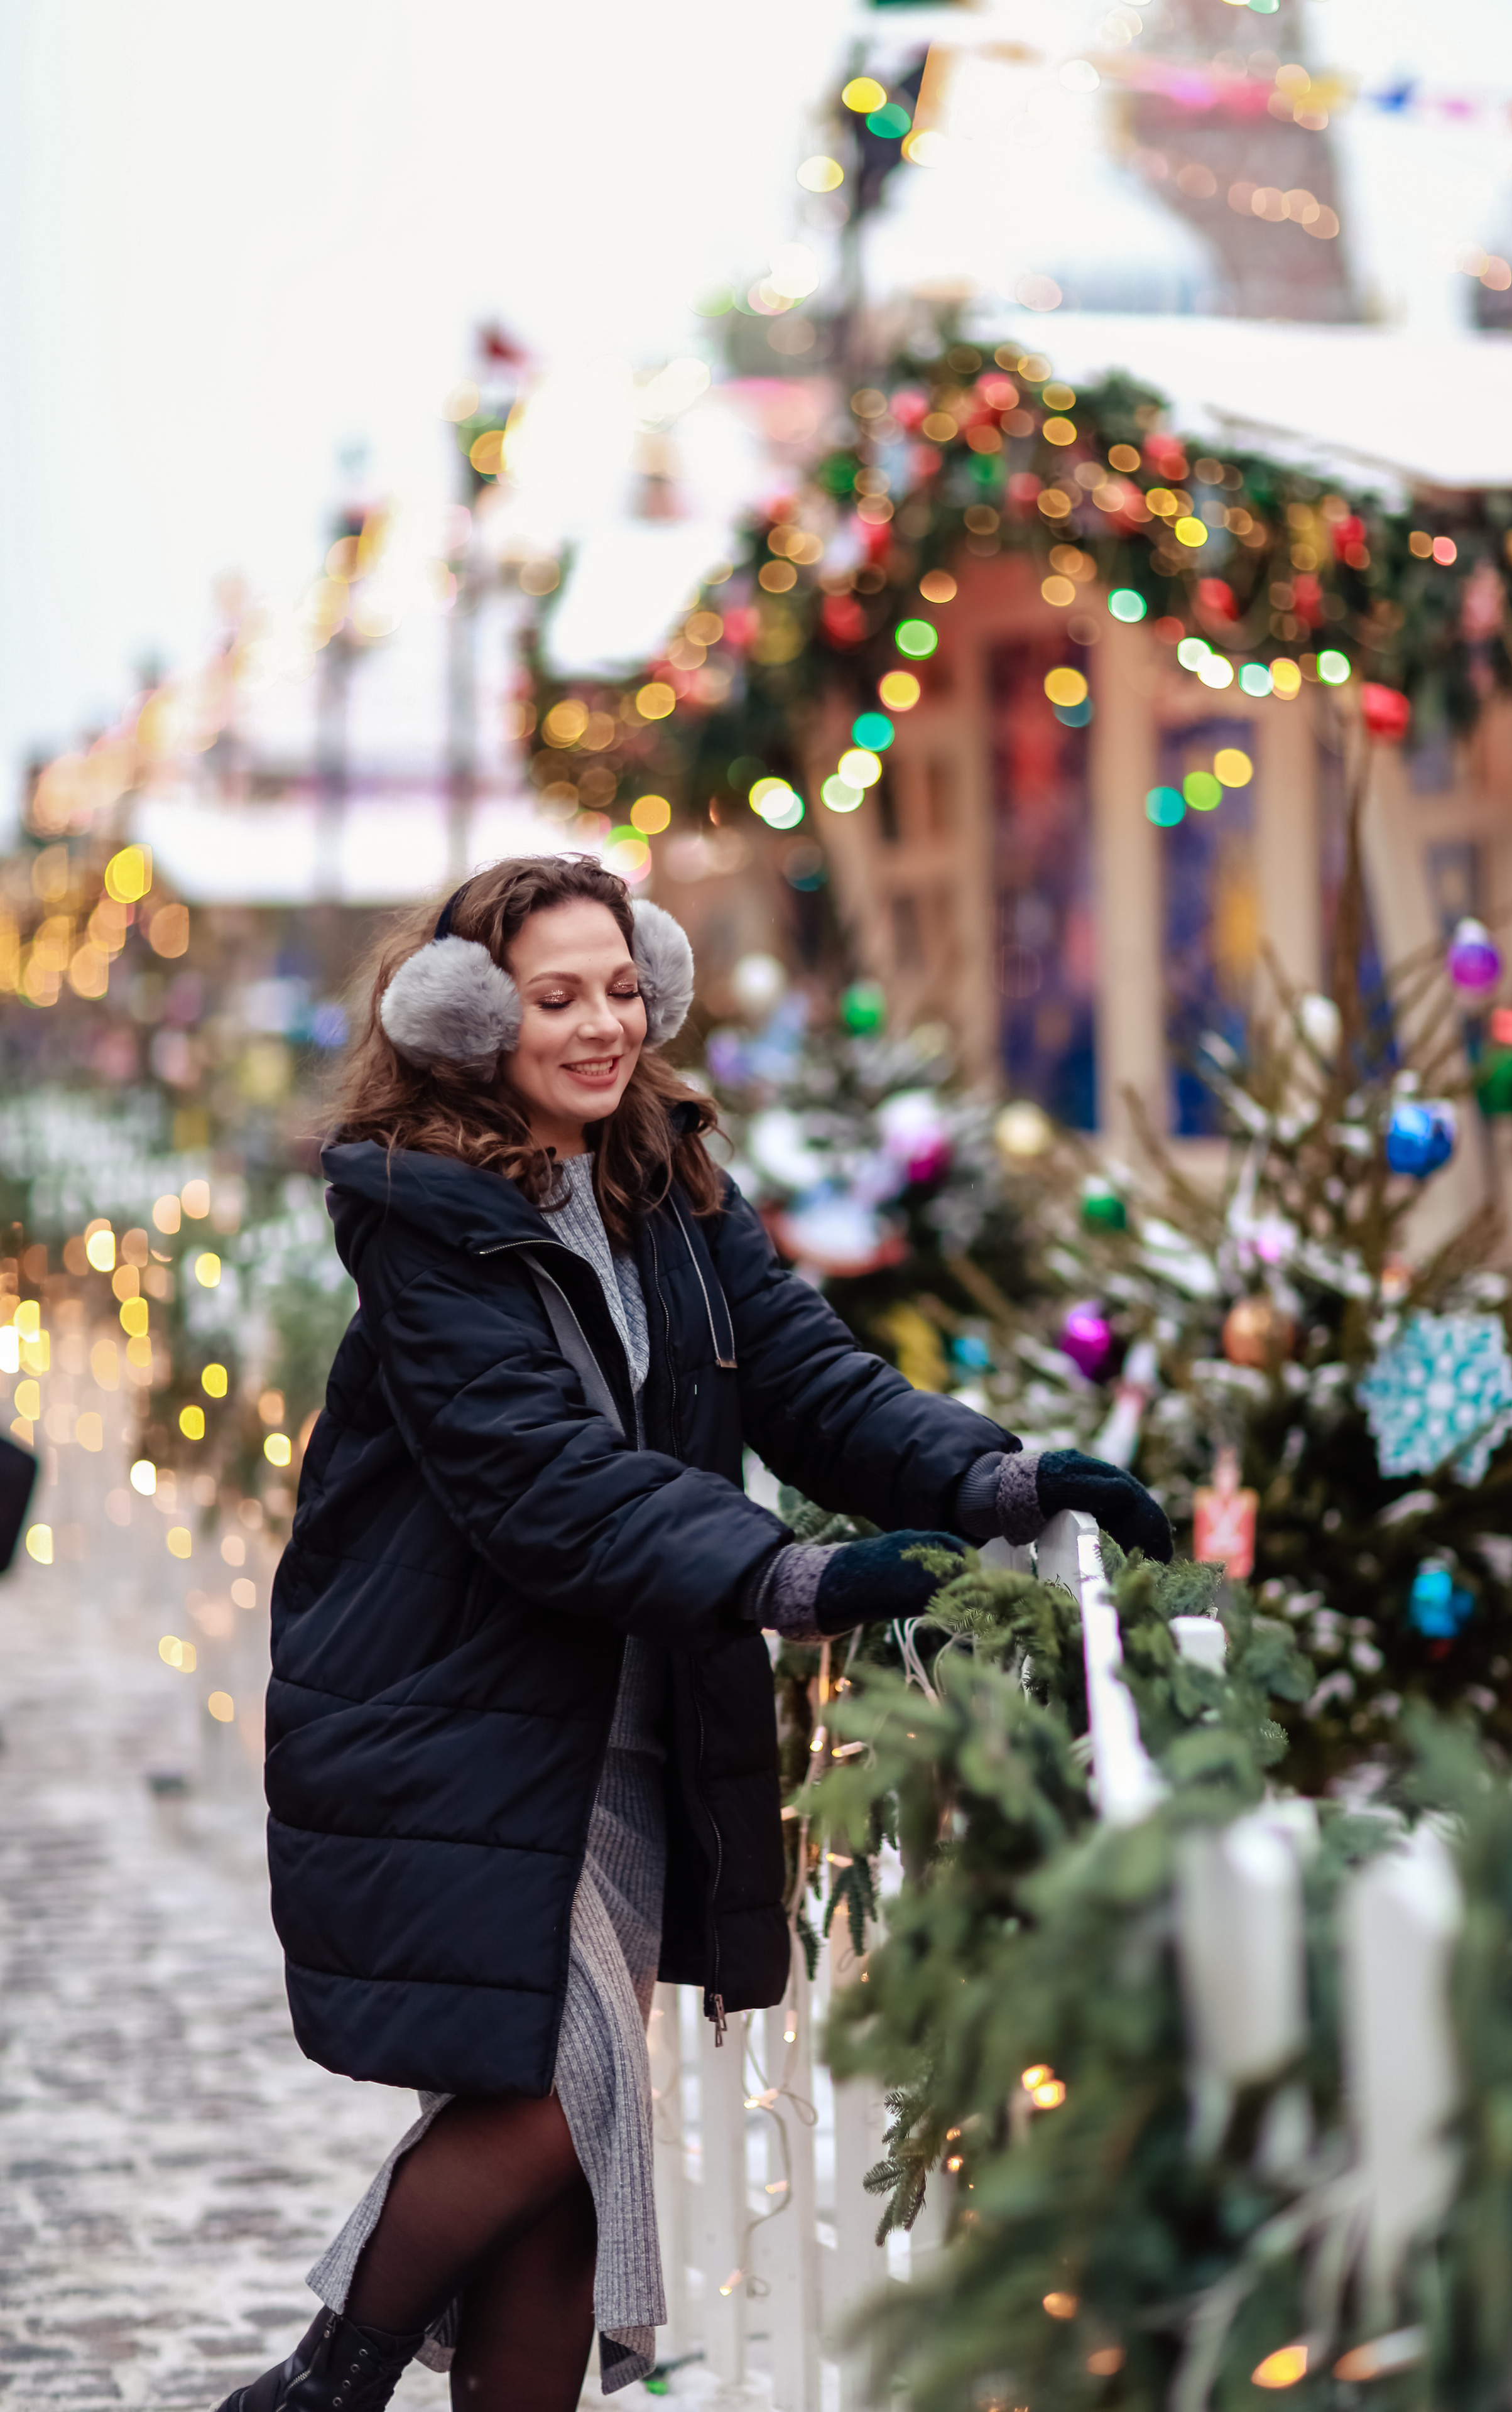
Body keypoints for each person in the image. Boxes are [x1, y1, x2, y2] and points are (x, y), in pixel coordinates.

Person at [217, 856, 1170, 2412]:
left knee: (571, 2155)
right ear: (465, 1022)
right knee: (555, 2097)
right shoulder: (422, 1221)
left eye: (617, 989)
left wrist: (997, 1478)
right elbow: (538, 1476)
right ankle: (319, 2383)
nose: (600, 1026)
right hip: (456, 1714)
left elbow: (806, 1379)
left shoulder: (661, 1177)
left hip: (619, 1712)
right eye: (553, 998)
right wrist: (785, 1578)